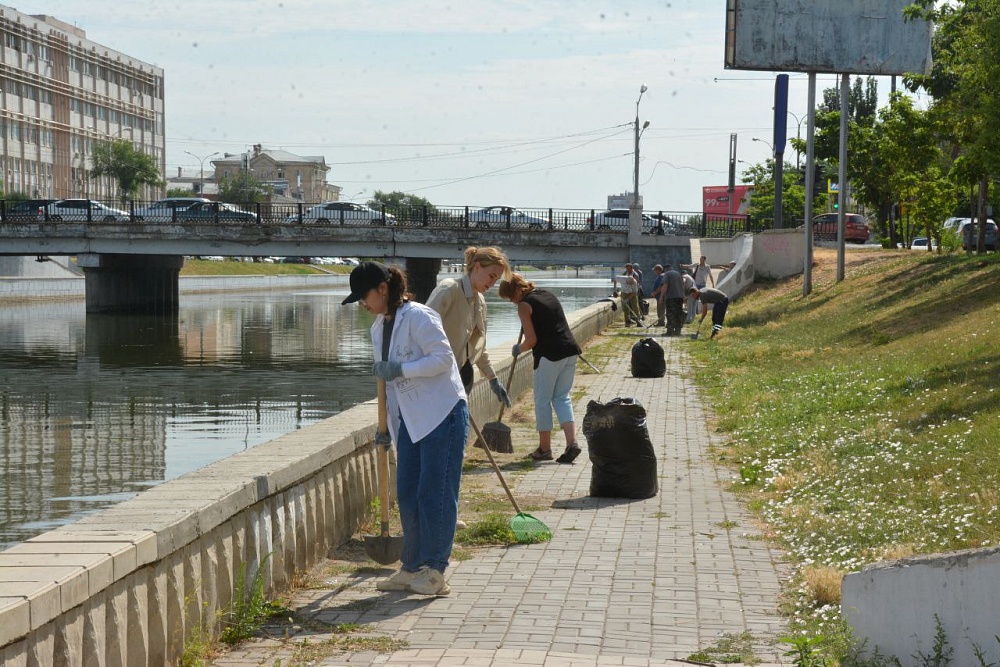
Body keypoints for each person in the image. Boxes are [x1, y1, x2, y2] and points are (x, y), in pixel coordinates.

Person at [343, 261, 469, 596]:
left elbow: (443, 359)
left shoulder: (419, 316)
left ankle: (435, 571)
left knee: (435, 494)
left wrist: (400, 368)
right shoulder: (377, 329)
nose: (362, 304)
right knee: (409, 495)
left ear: (383, 289)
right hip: (409, 421)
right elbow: (388, 384)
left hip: (442, 412)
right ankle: (411, 566)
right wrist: (385, 427)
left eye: (364, 296)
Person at [426, 246, 512, 531]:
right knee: (439, 448)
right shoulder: (448, 290)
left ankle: (449, 511)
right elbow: (421, 328)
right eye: (490, 276)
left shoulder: (480, 302)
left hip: (462, 378)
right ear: (475, 267)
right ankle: (433, 513)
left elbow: (478, 347)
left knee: (456, 448)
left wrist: (492, 379)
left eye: (497, 279)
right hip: (437, 380)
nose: (492, 283)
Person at [498, 273, 583, 464]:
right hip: (570, 350)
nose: (512, 302)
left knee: (542, 400)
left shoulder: (524, 305)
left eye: (511, 297)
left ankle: (545, 449)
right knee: (562, 397)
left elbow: (531, 341)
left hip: (549, 356)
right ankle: (572, 443)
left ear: (518, 290)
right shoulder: (548, 294)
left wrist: (518, 349)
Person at [663, 264, 685, 336]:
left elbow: (665, 286)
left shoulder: (667, 274)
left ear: (665, 269)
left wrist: (661, 297)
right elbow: (682, 284)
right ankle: (678, 331)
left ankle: (670, 331)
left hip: (671, 297)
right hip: (679, 297)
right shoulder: (678, 273)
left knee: (670, 314)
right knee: (678, 313)